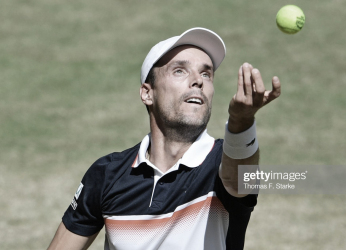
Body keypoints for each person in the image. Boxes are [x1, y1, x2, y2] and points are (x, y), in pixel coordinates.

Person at [48, 27, 281, 250]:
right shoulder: (107, 174)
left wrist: (241, 122)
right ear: (147, 93)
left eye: (206, 73)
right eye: (179, 70)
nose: (198, 81)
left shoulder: (222, 161)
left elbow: (238, 181)